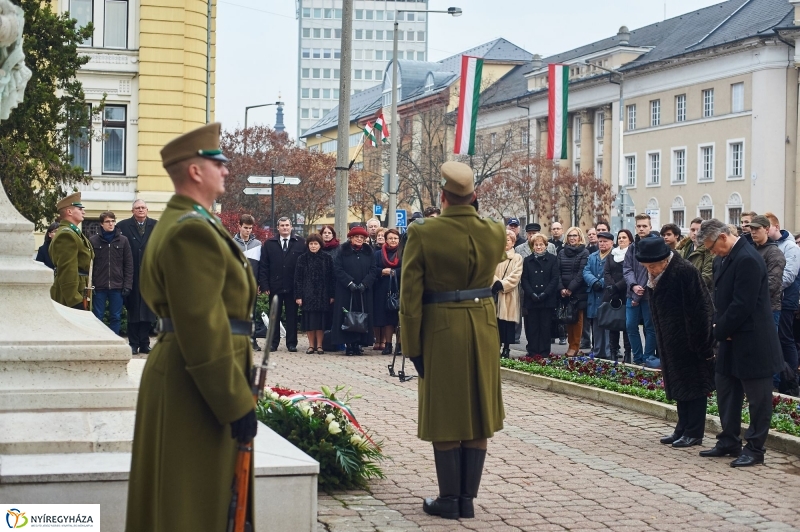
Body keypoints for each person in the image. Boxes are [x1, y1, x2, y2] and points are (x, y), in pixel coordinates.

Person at [126, 123, 258, 530]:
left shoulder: (194, 222)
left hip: (191, 375)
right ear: (196, 171)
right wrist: (235, 402)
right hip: (196, 380)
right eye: (218, 163)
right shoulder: (191, 231)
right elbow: (202, 326)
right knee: (192, 505)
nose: (226, 170)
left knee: (192, 501)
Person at [399, 161, 505, 520]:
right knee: (478, 411)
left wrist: (411, 346)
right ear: (474, 196)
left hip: (441, 328)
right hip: (484, 326)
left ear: (442, 196)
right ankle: (467, 499)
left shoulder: (424, 232)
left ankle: (449, 498)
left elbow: (410, 294)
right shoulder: (494, 230)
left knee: (444, 411)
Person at [697, 219, 783, 467]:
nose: (711, 252)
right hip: (730, 338)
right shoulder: (721, 259)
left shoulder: (747, 259)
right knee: (726, 391)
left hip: (753, 339)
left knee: (758, 399)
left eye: (712, 246)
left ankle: (755, 448)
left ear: (723, 237)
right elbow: (719, 300)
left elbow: (743, 304)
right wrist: (720, 329)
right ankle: (729, 440)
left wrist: (718, 330)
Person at [635, 237, 715, 449]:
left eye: (652, 266)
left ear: (665, 259)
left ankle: (694, 432)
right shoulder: (659, 273)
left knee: (695, 386)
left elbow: (701, 309)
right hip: (670, 338)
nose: (649, 270)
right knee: (680, 384)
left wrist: (702, 344)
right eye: (646, 266)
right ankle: (683, 426)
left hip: (690, 338)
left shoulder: (684, 271)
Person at [765, 211, 800, 394]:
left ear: (776, 227)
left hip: (786, 300)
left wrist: (770, 287)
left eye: (766, 227)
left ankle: (790, 377)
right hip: (773, 299)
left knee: (785, 339)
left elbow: (788, 275)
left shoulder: (790, 247)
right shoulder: (766, 246)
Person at [258, 217, 305, 352]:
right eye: (282, 225)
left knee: (292, 316)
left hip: (293, 286)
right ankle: (273, 343)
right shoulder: (269, 244)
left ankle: (291, 343)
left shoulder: (300, 243)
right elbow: (264, 266)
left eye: (287, 225)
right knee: (274, 316)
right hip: (274, 286)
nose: (285, 228)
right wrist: (265, 285)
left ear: (291, 227)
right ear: (277, 227)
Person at [117, 199, 157, 354]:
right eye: (137, 208)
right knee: (133, 310)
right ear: (132, 210)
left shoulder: (156, 225)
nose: (140, 210)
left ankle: (144, 343)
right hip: (130, 274)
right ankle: (133, 343)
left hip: (149, 274)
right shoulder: (123, 226)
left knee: (147, 311)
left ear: (147, 210)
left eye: (143, 207)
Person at [332, 226, 376, 356]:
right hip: (346, 290)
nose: (359, 239)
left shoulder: (369, 252)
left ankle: (358, 344)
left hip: (364, 290)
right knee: (347, 316)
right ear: (351, 238)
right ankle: (349, 344)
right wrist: (349, 282)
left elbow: (373, 270)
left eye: (362, 237)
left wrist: (365, 283)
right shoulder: (342, 251)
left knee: (362, 316)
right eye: (356, 237)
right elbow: (337, 269)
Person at [89, 211, 133, 335]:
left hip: (117, 285)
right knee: (97, 317)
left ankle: (114, 341)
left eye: (113, 221)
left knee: (116, 316)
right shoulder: (93, 241)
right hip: (99, 285)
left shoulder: (123, 240)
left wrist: (127, 285)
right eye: (107, 221)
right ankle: (99, 341)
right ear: (101, 224)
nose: (111, 224)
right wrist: (90, 283)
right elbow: (90, 264)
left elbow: (129, 265)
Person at [623, 213, 659, 366]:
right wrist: (633, 285)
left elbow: (651, 270)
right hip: (632, 292)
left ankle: (648, 358)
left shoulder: (655, 245)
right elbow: (627, 268)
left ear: (650, 227)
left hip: (648, 294)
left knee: (650, 327)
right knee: (630, 326)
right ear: (635, 227)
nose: (642, 228)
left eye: (645, 226)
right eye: (639, 226)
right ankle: (637, 359)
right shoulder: (632, 247)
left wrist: (641, 289)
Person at [49, 192, 94, 310]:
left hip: (80, 289)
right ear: (69, 212)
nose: (83, 211)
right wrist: (74, 299)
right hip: (71, 295)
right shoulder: (66, 235)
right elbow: (67, 269)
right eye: (80, 209)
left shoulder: (73, 232)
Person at [294, 234, 335, 354]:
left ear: (320, 244)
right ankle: (311, 345)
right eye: (311, 244)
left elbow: (332, 278)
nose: (313, 246)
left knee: (321, 322)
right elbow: (298, 279)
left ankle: (320, 345)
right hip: (307, 294)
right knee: (310, 321)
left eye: (315, 243)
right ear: (308, 245)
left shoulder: (327, 258)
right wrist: (298, 296)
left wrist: (332, 295)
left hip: (323, 294)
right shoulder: (302, 258)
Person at [521, 233, 559, 357]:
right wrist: (531, 293)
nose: (538, 247)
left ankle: (544, 352)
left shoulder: (553, 259)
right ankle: (532, 351)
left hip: (546, 299)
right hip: (531, 299)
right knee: (532, 327)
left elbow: (554, 279)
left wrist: (545, 293)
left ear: (546, 246)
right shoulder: (527, 260)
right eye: (536, 245)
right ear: (532, 246)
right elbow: (524, 279)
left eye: (541, 244)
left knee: (545, 327)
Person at [232, 214, 262, 352]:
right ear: (239, 226)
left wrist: (259, 283)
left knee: (252, 313)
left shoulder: (258, 245)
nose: (248, 231)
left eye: (250, 228)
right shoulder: (231, 243)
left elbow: (261, 267)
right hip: (236, 286)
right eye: (245, 228)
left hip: (252, 285)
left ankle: (252, 340)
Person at [558, 227, 589, 357]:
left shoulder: (584, 252)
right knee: (567, 319)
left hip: (577, 292)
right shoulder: (561, 252)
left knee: (577, 320)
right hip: (563, 292)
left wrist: (570, 288)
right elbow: (557, 272)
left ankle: (575, 346)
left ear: (580, 237)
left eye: (575, 235)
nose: (572, 238)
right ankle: (570, 344)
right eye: (570, 235)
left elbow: (581, 273)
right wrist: (561, 288)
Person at [748, 215, 785, 323]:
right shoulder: (750, 250)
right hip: (751, 306)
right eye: (752, 229)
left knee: (768, 340)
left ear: (767, 229)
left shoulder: (774, 253)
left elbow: (773, 284)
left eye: (757, 228)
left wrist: (748, 295)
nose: (753, 232)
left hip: (769, 308)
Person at [604, 229, 633, 362]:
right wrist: (612, 287)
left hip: (626, 292)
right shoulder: (612, 254)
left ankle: (627, 354)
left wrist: (617, 286)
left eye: (624, 237)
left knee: (626, 325)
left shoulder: (631, 254)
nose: (621, 240)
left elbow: (629, 274)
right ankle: (613, 353)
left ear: (630, 240)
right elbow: (607, 272)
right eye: (619, 238)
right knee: (613, 324)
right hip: (612, 294)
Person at [583, 231, 613, 359]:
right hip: (594, 294)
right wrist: (593, 281)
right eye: (600, 241)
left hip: (607, 293)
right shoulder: (592, 256)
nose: (602, 244)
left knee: (607, 323)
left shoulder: (614, 256)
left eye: (605, 241)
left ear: (611, 243)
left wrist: (601, 282)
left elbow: (614, 274)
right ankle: (597, 351)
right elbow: (586, 270)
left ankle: (607, 352)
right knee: (595, 323)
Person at [494, 230, 523, 359]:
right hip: (495, 293)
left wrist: (503, 285)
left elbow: (516, 275)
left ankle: (506, 348)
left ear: (513, 242)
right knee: (496, 322)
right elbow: (488, 271)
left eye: (509, 240)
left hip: (509, 294)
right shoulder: (494, 256)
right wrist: (495, 283)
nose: (506, 242)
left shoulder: (517, 257)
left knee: (508, 323)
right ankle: (496, 346)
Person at [372, 228, 402, 354]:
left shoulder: (403, 252)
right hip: (383, 288)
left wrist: (395, 272)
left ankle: (399, 345)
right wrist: (381, 271)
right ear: (386, 240)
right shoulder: (378, 253)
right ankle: (388, 344)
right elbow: (373, 268)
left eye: (395, 238)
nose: (393, 240)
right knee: (387, 319)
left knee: (399, 319)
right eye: (390, 238)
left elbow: (407, 267)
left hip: (399, 287)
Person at [677, 217, 713, 291]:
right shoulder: (683, 247)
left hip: (700, 293)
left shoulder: (710, 250)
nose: (695, 233)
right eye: (692, 230)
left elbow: (707, 276)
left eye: (699, 230)